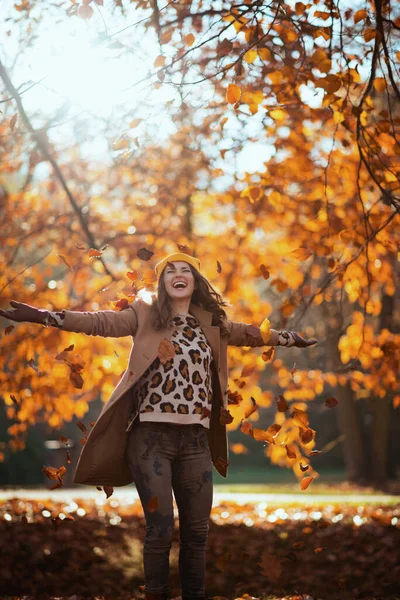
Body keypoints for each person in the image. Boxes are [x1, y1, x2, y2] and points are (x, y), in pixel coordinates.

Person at [0, 251, 317, 600]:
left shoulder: (211, 322)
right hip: (151, 439)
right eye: (170, 272)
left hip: (196, 441)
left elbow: (252, 334)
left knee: (197, 533)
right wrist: (43, 316)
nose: (178, 275)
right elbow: (99, 322)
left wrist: (289, 338)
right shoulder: (145, 313)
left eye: (186, 271)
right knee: (160, 530)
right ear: (163, 283)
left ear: (195, 281)